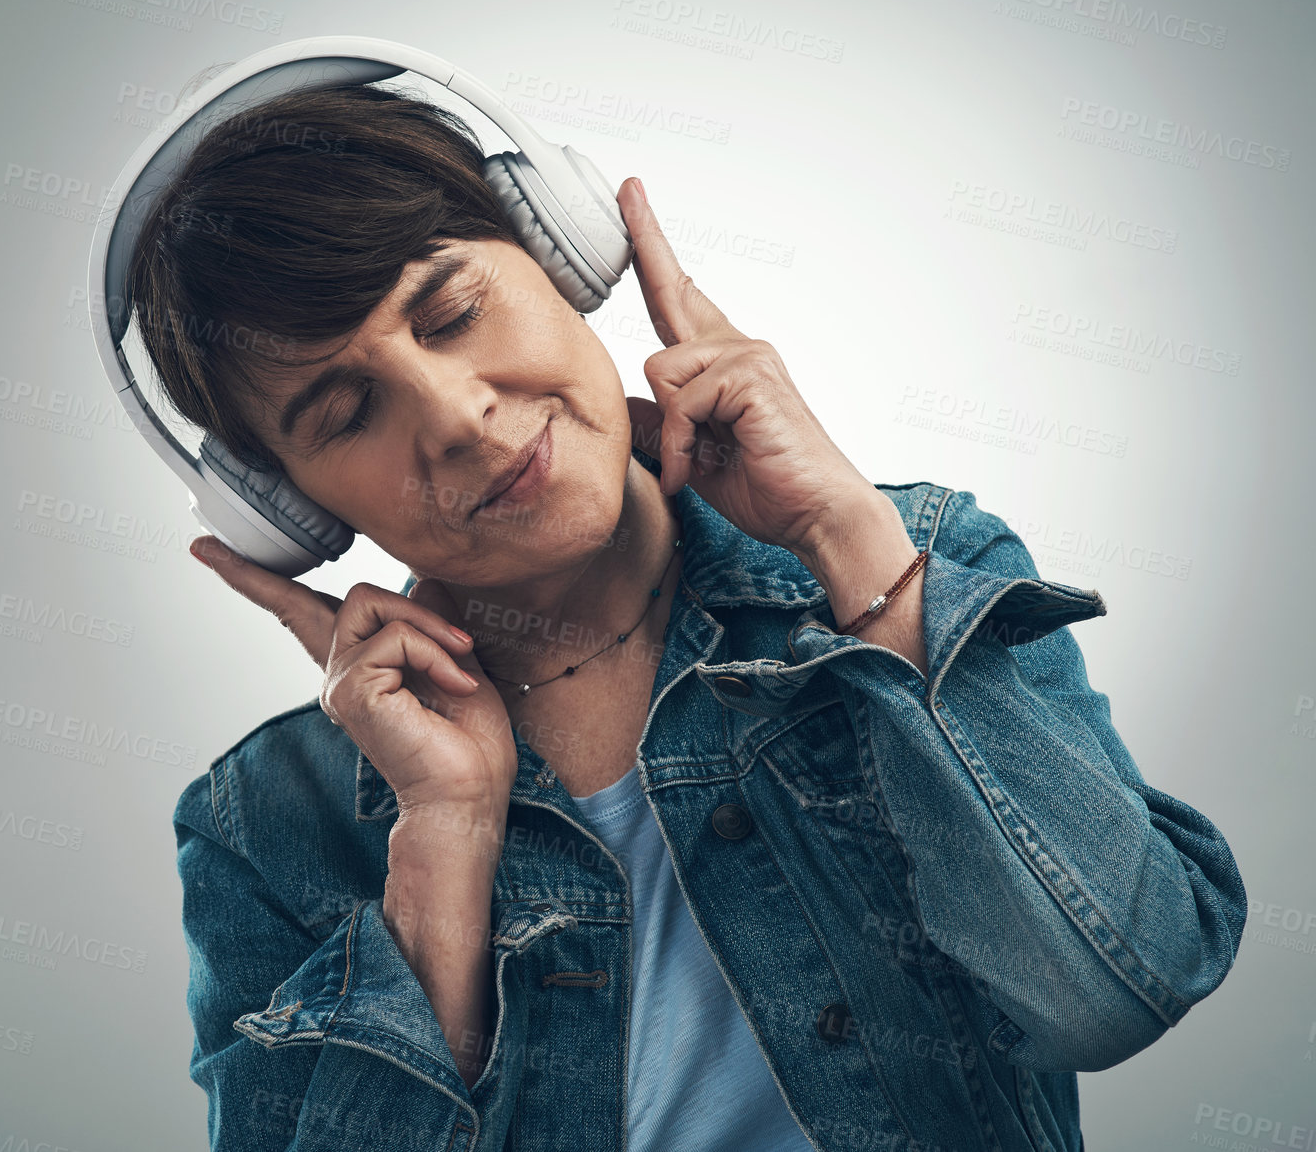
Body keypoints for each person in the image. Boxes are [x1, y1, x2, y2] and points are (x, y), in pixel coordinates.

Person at [132, 82, 1248, 1150]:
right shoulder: (264, 825)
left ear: (558, 253)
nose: (459, 415)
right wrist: (444, 839)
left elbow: (1119, 989)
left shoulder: (918, 562)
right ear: (292, 510)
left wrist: (849, 540)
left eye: (455, 311)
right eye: (347, 412)